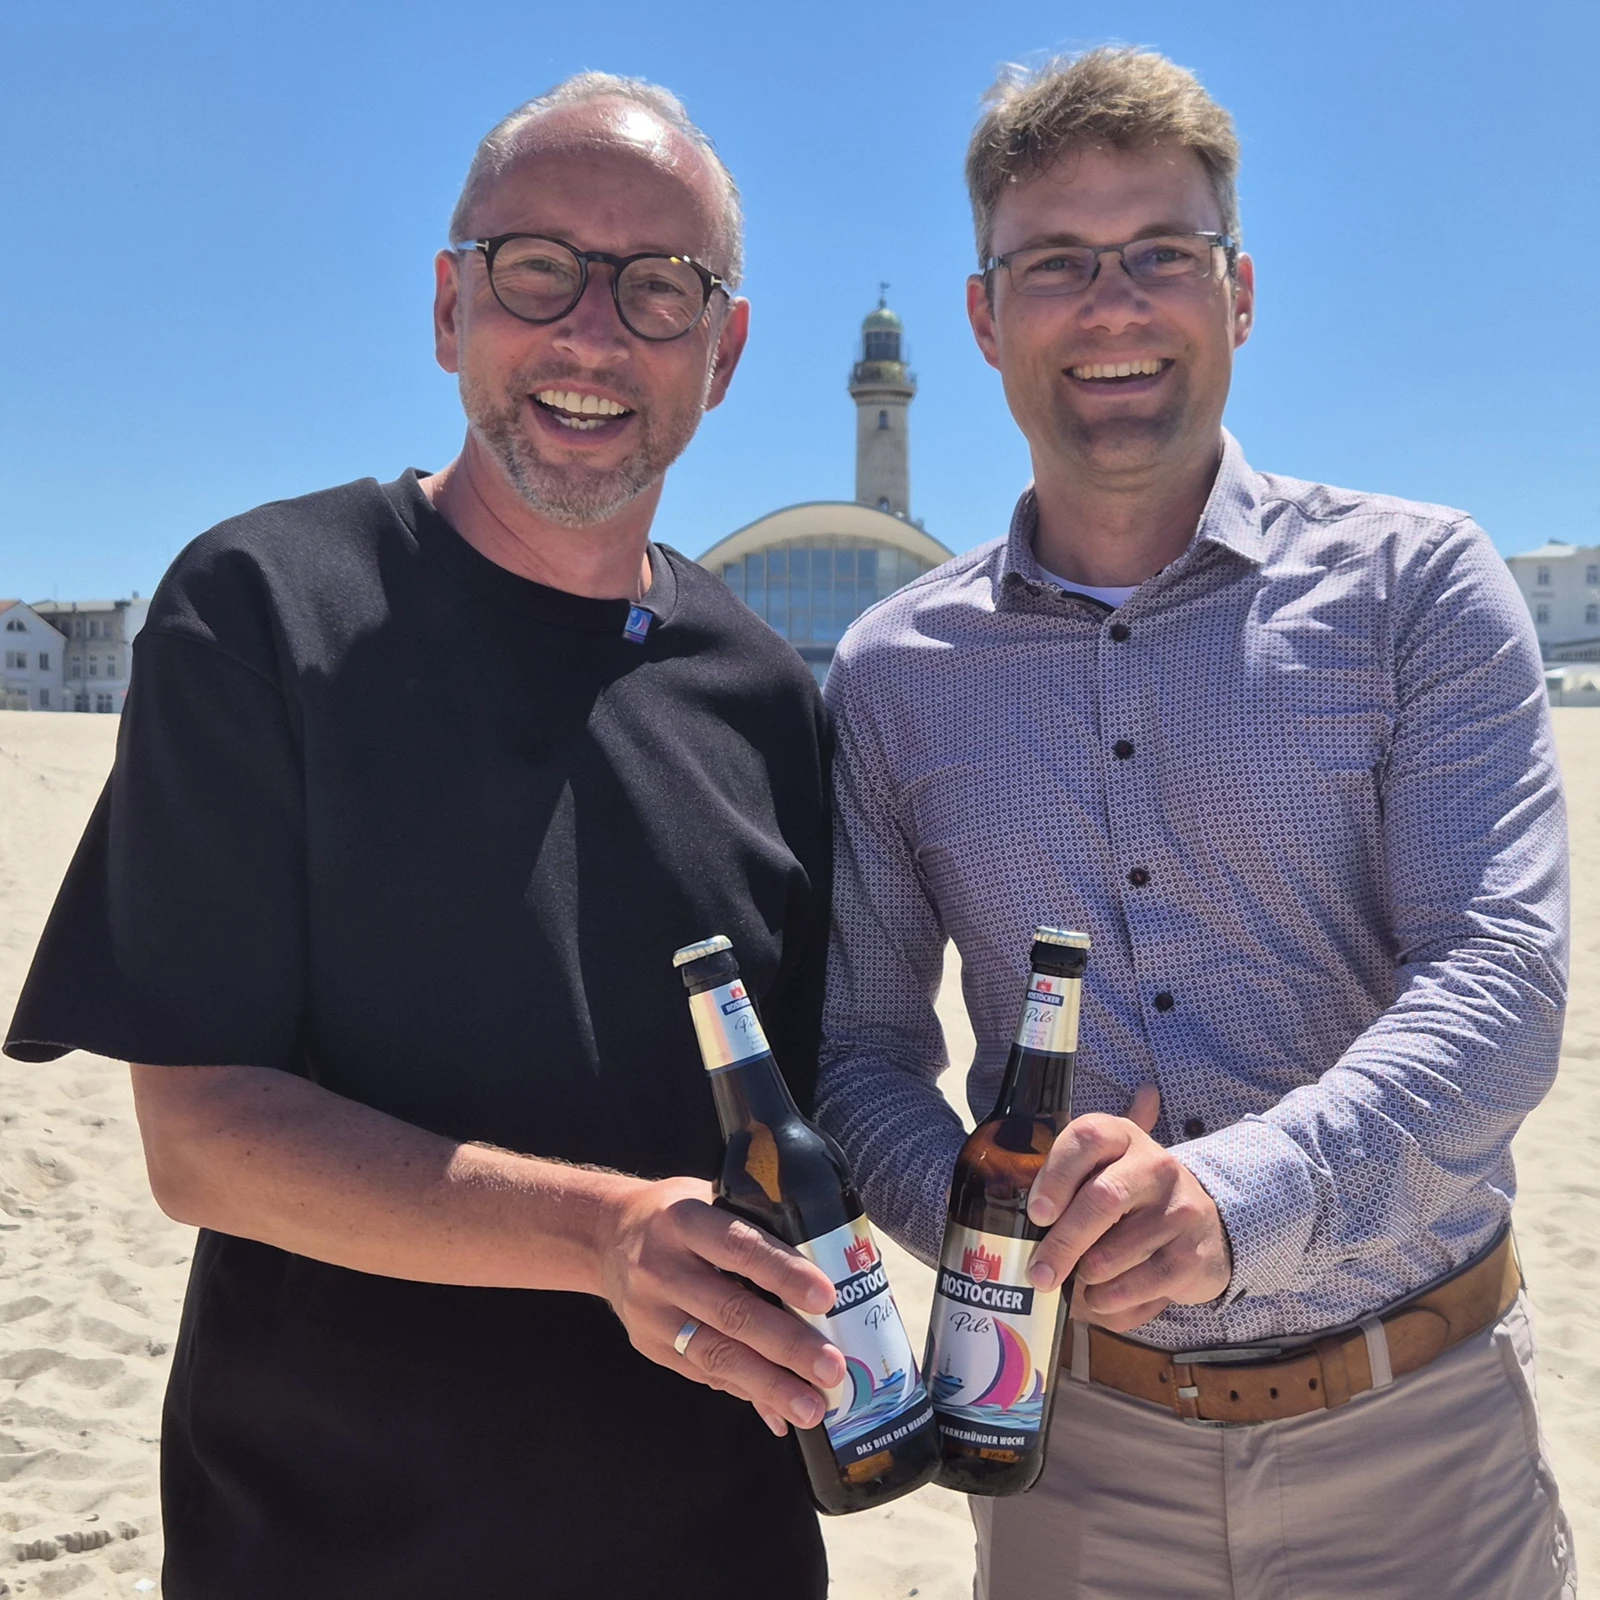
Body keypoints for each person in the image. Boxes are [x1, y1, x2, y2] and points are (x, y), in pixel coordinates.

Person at [5, 74, 844, 1600]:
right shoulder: (262, 610)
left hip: (715, 1545)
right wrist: (602, 1237)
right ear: (450, 304)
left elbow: (799, 1128)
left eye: (661, 288)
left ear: (724, 354)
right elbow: (203, 1143)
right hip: (330, 1550)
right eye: (539, 269)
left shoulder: (769, 695)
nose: (594, 335)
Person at [817, 47, 1575, 1600]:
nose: (1113, 306)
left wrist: (1240, 1199)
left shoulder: (1415, 585)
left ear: (1238, 293)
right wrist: (995, 1219)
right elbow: (857, 1056)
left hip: (1419, 1434)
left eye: (1161, 253)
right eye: (1055, 265)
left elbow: (1500, 976)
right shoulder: (894, 675)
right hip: (1067, 1459)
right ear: (980, 318)